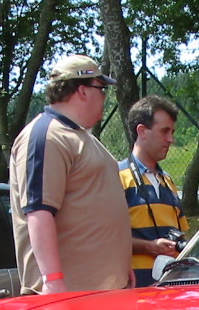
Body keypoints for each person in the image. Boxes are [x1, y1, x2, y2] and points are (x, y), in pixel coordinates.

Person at [9, 54, 132, 295]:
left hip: (101, 292)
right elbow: (39, 212)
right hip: (71, 297)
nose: (105, 97)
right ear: (83, 91)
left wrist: (120, 265)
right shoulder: (47, 136)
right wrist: (53, 282)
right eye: (102, 88)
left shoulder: (81, 137)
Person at [118, 95, 189, 287]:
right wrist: (149, 247)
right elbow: (105, 239)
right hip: (133, 293)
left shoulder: (168, 181)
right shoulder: (116, 177)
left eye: (172, 132)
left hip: (170, 290)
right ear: (142, 131)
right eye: (164, 131)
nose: (171, 139)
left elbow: (182, 235)